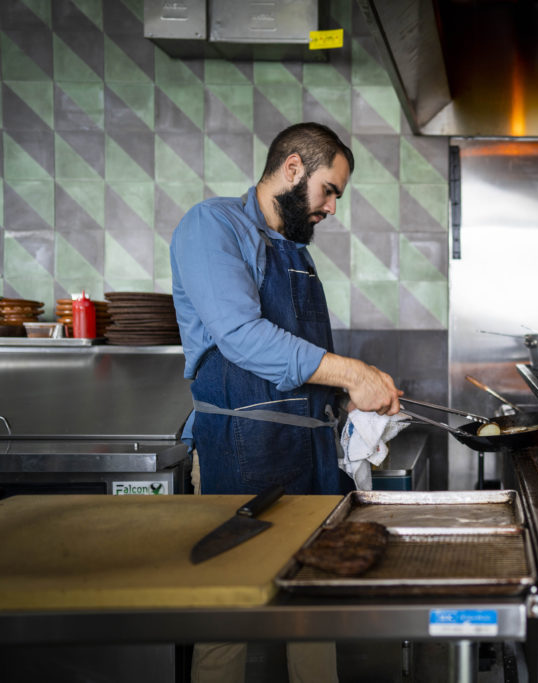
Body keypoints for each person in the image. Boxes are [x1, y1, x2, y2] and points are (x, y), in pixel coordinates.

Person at [171, 122, 403, 682]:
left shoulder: (295, 251)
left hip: (309, 453)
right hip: (240, 450)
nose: (329, 208)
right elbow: (241, 337)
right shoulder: (212, 226)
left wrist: (349, 398)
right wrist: (351, 372)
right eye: (329, 191)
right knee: (228, 613)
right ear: (294, 168)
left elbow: (302, 358)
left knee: (312, 610)